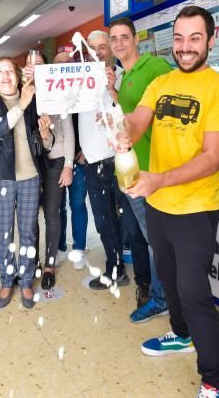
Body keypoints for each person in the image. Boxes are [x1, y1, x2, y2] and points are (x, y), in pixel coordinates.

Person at [120, 5, 219, 398]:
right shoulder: (162, 82)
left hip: (195, 209)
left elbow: (212, 157)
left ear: (210, 41)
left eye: (195, 38)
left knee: (194, 292)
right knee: (167, 280)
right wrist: (125, 134)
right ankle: (182, 335)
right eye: (180, 38)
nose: (185, 48)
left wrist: (158, 180)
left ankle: (212, 380)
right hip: (158, 205)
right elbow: (138, 119)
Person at [108, 17, 173, 323]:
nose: (118, 43)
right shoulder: (125, 76)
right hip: (132, 167)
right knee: (153, 240)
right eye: (114, 38)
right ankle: (163, 296)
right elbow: (127, 118)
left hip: (154, 169)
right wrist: (112, 96)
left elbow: (167, 112)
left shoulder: (155, 68)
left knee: (158, 240)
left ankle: (163, 299)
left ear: (135, 39)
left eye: (124, 37)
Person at [0, 57, 52, 308]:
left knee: (29, 231)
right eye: (0, 71)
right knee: (5, 233)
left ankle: (27, 280)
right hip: (1, 177)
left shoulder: (33, 98)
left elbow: (44, 141)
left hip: (30, 177)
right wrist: (20, 105)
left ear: (18, 75)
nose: (6, 76)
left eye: (10, 71)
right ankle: (7, 280)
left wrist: (46, 133)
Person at [78, 31, 131, 290]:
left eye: (102, 46)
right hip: (91, 161)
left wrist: (112, 88)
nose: (97, 52)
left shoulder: (122, 78)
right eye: (92, 47)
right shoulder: (80, 80)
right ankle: (115, 268)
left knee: (126, 218)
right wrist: (80, 147)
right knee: (103, 220)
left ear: (110, 48)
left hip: (117, 159)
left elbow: (130, 116)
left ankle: (129, 267)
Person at [22, 51, 75, 290]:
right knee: (30, 215)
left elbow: (69, 130)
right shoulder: (19, 92)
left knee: (52, 214)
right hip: (29, 161)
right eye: (30, 65)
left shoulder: (57, 91)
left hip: (55, 159)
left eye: (40, 65)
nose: (35, 69)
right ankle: (32, 261)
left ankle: (49, 264)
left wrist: (68, 165)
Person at [54, 51, 90, 270]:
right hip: (57, 158)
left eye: (69, 62)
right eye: (59, 63)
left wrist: (87, 149)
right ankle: (59, 248)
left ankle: (79, 249)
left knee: (77, 204)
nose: (65, 66)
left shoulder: (85, 88)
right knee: (58, 207)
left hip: (81, 156)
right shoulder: (49, 90)